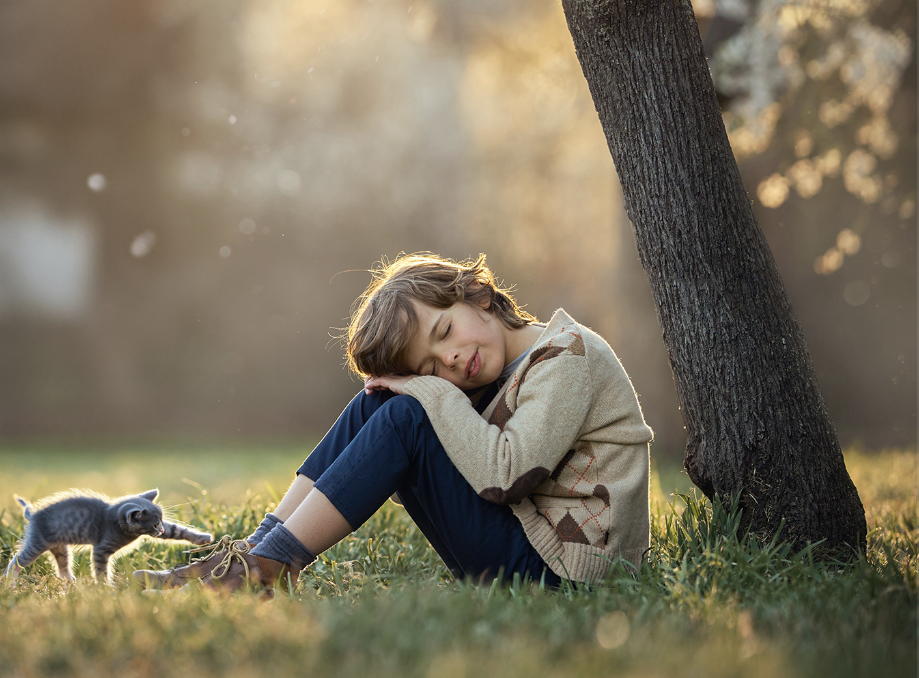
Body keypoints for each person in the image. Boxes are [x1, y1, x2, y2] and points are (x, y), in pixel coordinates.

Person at [139, 253, 653, 593]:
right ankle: (255, 554)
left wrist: (424, 390)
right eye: (429, 365)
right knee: (380, 406)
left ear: (477, 293)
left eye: (445, 330)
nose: (449, 360)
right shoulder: (489, 377)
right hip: (524, 548)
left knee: (407, 414)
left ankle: (266, 570)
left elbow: (506, 474)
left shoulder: (567, 357)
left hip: (571, 571)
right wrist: (412, 390)